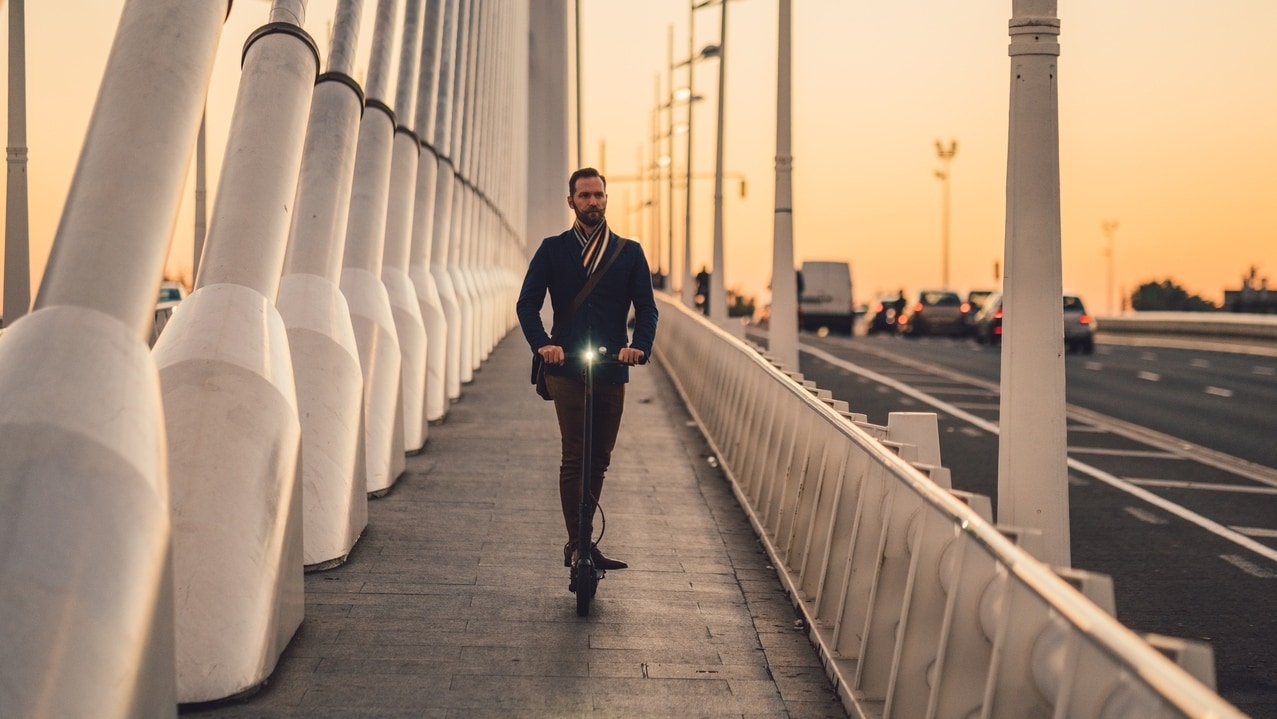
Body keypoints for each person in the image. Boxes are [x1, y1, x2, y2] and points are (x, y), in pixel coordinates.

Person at [516, 167, 659, 571]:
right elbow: (527, 303)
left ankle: (583, 542)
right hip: (565, 367)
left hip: (612, 367)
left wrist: (639, 347)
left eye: (598, 195)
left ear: (606, 199)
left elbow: (647, 307)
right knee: (575, 455)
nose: (592, 202)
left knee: (600, 459)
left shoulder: (629, 252)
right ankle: (578, 544)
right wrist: (543, 344)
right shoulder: (552, 249)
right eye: (584, 196)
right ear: (571, 202)